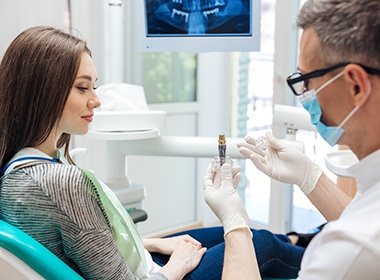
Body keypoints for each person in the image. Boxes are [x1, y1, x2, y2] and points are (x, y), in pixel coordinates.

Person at [0, 25, 316, 280]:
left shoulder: (18, 168)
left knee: (228, 234)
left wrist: (154, 242)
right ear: (43, 90)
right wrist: (177, 264)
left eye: (95, 86)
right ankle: (330, 259)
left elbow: (81, 246)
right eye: (83, 88)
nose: (96, 100)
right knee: (258, 243)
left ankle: (303, 239)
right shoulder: (60, 182)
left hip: (133, 263)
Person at [206, 0, 380, 279]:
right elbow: (360, 213)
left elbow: (361, 234)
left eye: (307, 81)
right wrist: (309, 176)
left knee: (263, 242)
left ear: (356, 85)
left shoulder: (352, 249)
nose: (304, 94)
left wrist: (235, 224)